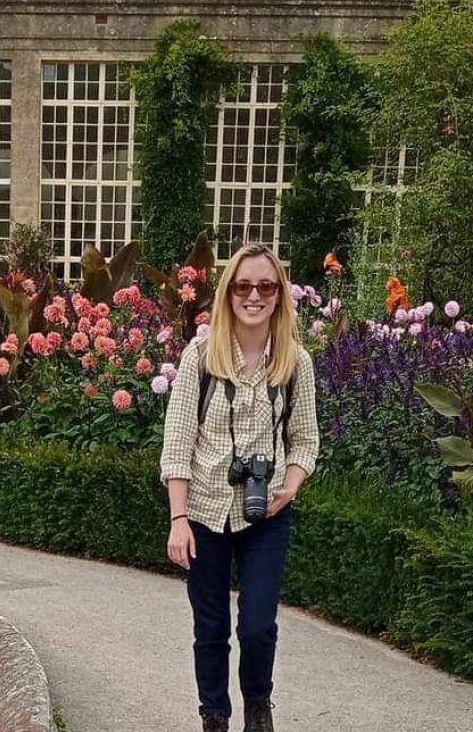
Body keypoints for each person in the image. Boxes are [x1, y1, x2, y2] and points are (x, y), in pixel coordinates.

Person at [160, 244, 319, 732]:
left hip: (266, 515)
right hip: (205, 511)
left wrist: (288, 487)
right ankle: (214, 716)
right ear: (228, 293)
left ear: (279, 296)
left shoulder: (296, 363)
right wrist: (178, 519)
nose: (254, 295)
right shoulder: (201, 359)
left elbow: (306, 439)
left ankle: (257, 707)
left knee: (257, 627)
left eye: (266, 286)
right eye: (243, 285)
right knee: (210, 629)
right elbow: (178, 443)